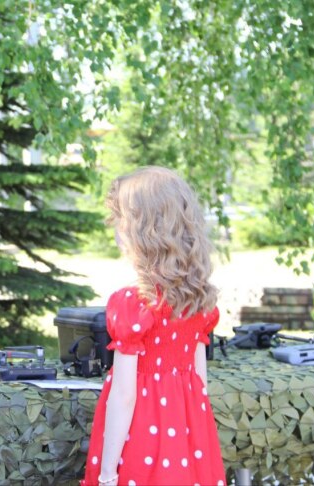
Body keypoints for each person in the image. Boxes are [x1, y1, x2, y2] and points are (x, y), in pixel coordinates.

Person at [82, 166, 226, 486]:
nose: (116, 230)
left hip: (140, 442)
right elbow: (199, 383)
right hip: (188, 444)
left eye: (120, 221)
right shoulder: (198, 300)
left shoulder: (133, 304)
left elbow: (124, 396)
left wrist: (107, 475)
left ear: (141, 231)